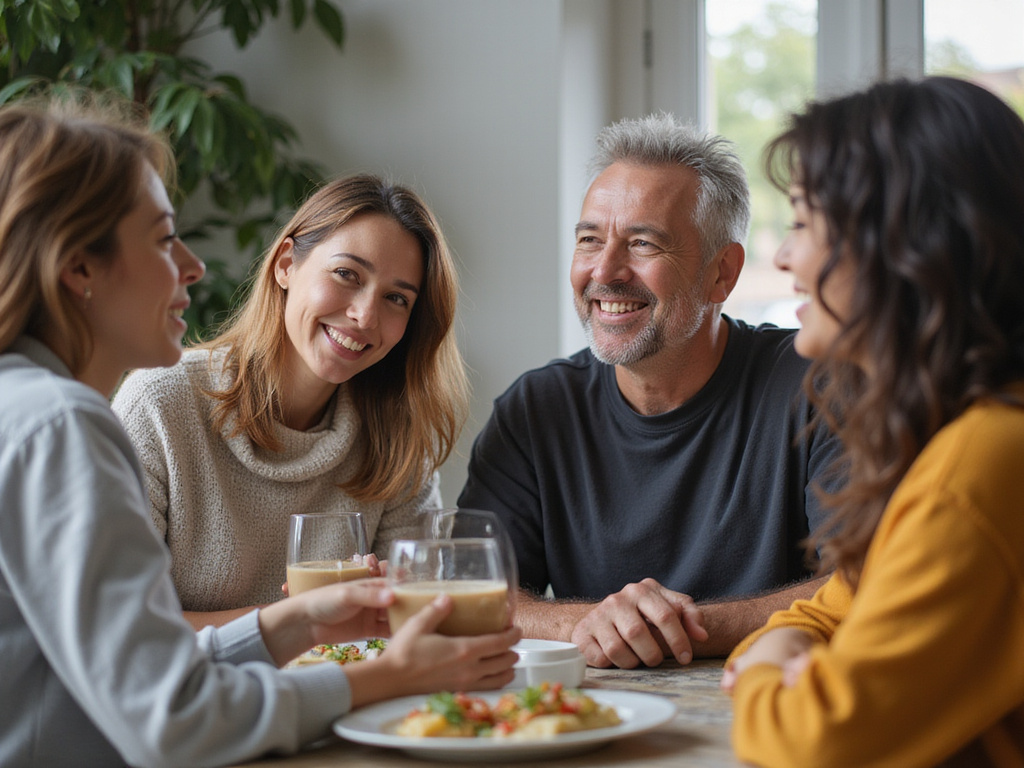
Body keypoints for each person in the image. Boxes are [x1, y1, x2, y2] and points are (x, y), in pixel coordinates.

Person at [0, 95, 520, 768]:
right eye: (162, 239)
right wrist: (388, 677)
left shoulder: (29, 407)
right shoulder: (64, 425)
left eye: (396, 298)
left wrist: (296, 622)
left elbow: (145, 664)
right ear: (78, 267)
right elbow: (176, 720)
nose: (193, 265)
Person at [458, 113, 842, 669]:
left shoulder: (819, 385)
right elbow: (475, 592)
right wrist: (584, 624)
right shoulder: (536, 409)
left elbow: (867, 581)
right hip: (582, 728)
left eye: (642, 244)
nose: (605, 271)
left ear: (722, 274)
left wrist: (677, 628)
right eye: (590, 240)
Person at [723, 76, 1024, 767]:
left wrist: (768, 676)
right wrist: (788, 648)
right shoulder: (959, 434)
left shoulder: (982, 462)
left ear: (900, 239)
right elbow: (828, 610)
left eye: (801, 221)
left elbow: (817, 742)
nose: (783, 257)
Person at [112, 172, 469, 629]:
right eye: (346, 274)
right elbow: (123, 631)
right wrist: (299, 619)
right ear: (286, 264)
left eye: (396, 298)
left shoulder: (397, 438)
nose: (364, 315)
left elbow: (414, 625)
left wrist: (390, 609)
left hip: (352, 694)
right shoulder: (161, 405)